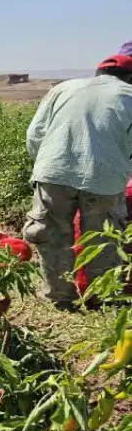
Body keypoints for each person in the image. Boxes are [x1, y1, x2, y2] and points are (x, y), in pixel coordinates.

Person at [24, 54, 132, 308]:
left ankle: (58, 298)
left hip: (53, 171)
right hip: (105, 177)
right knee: (103, 238)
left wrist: (45, 163)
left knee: (51, 235)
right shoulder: (129, 94)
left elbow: (34, 134)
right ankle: (103, 300)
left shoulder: (62, 88)